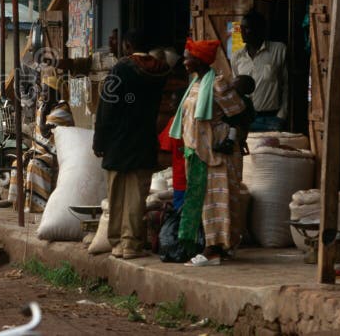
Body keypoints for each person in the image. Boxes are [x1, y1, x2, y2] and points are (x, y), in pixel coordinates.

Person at [93, 29, 170, 260]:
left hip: (118, 141)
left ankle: (117, 243)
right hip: (144, 140)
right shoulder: (160, 71)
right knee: (138, 196)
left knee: (116, 195)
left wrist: (99, 140)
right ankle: (132, 244)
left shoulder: (121, 69)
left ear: (127, 46)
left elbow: (106, 108)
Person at [170, 39, 247, 267]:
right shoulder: (195, 83)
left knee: (216, 200)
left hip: (217, 153)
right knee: (203, 200)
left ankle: (214, 250)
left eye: (188, 57)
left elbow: (240, 116)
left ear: (200, 60)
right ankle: (215, 247)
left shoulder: (218, 85)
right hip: (197, 152)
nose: (184, 61)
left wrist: (230, 139)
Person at [12, 72, 74, 212]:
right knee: (18, 163)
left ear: (55, 92)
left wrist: (45, 109)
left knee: (36, 164)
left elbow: (45, 132)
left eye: (46, 90)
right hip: (41, 151)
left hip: (56, 153)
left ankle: (39, 206)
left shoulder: (62, 109)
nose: (42, 93)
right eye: (42, 90)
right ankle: (22, 204)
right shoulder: (43, 107)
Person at [231, 11, 288, 132]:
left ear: (260, 30)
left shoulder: (278, 50)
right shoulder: (237, 56)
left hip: (271, 119)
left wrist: (281, 115)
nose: (242, 32)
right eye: (241, 28)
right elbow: (236, 91)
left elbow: (287, 85)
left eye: (247, 28)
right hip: (245, 119)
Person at [214, 75, 256, 155]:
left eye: (235, 81)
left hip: (237, 126)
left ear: (241, 88)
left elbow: (246, 118)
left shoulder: (241, 100)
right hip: (240, 127)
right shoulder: (241, 99)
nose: (231, 82)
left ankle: (229, 144)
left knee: (233, 124)